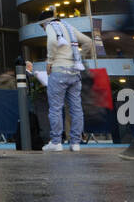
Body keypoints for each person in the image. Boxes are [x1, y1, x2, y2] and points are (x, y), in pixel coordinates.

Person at [26, 9, 91, 151]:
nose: (43, 29)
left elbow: (52, 42)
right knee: (76, 109)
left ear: (45, 22)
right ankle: (75, 143)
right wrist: (79, 58)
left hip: (59, 71)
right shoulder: (69, 27)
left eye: (41, 26)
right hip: (74, 73)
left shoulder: (51, 26)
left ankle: (56, 142)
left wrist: (49, 62)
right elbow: (88, 42)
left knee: (55, 108)